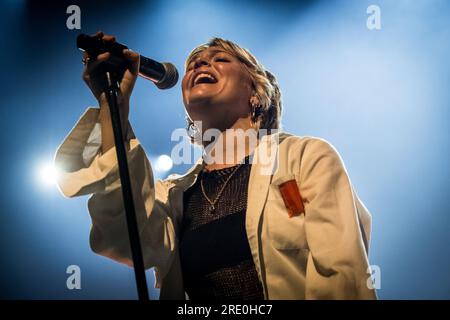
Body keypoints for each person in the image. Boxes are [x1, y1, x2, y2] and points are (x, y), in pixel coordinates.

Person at [54, 31, 377, 300]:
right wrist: (114, 103)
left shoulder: (305, 158)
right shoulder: (173, 197)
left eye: (220, 59)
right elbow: (120, 237)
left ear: (256, 91)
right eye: (194, 62)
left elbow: (342, 276)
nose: (200, 64)